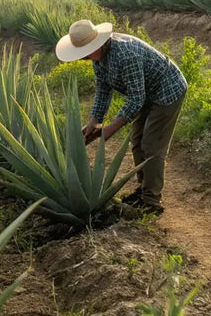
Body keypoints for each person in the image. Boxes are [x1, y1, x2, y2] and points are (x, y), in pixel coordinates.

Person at [55, 20, 187, 213]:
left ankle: (151, 201)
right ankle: (143, 190)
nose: (82, 57)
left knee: (152, 144)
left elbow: (135, 98)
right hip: (146, 93)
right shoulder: (98, 59)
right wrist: (94, 121)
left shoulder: (126, 54)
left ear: (97, 44)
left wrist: (111, 128)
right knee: (137, 141)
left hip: (167, 90)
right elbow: (103, 91)